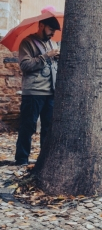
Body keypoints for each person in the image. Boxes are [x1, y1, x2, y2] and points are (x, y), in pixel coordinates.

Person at [14, 13, 61, 165]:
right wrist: (47, 56)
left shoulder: (53, 44)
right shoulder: (27, 42)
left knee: (48, 128)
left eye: (55, 30)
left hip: (51, 92)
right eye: (50, 28)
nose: (53, 33)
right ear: (41, 25)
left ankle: (44, 160)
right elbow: (25, 65)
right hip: (33, 92)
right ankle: (21, 159)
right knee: (28, 126)